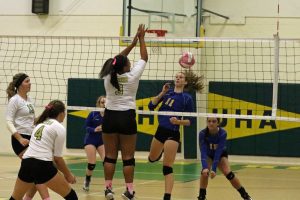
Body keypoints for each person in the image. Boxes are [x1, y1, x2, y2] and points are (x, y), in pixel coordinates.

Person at [99, 24, 148, 200]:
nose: (129, 62)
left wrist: (132, 43)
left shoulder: (107, 76)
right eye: (127, 62)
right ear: (126, 66)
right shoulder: (132, 76)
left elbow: (117, 59)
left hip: (110, 116)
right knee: (128, 157)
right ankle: (129, 191)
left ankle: (108, 189)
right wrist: (141, 39)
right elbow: (144, 57)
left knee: (110, 156)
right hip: (127, 116)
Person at [148, 70, 204, 200]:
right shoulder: (168, 92)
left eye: (181, 77)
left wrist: (178, 121)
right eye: (176, 77)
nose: (178, 79)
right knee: (151, 159)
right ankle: (160, 152)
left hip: (173, 133)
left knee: (167, 167)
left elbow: (191, 120)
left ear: (185, 82)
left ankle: (167, 196)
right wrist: (162, 92)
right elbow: (151, 106)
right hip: (160, 130)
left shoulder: (187, 98)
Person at [9, 100, 78, 200]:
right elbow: (57, 159)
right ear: (62, 113)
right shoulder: (59, 128)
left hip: (27, 163)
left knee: (15, 198)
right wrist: (68, 175)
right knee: (72, 196)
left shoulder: (39, 125)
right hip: (42, 165)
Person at [6, 73, 50, 200]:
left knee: (31, 172)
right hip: (20, 139)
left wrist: (45, 115)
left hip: (31, 138)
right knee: (38, 169)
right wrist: (19, 138)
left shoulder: (29, 100)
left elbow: (32, 122)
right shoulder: (15, 100)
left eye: (29, 81)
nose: (30, 83)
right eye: (27, 81)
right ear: (20, 85)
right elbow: (8, 121)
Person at [198, 117, 252, 200]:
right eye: (209, 121)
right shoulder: (202, 133)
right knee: (204, 173)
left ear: (218, 123)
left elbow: (218, 151)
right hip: (208, 155)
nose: (211, 123)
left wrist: (214, 169)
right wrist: (205, 167)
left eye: (214, 121)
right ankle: (202, 197)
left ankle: (245, 196)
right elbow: (203, 151)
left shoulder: (223, 133)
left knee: (228, 173)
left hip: (220, 154)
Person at [82, 96, 106, 191]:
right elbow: (86, 127)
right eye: (102, 102)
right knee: (92, 164)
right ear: (98, 104)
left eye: (105, 102)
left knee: (107, 163)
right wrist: (95, 129)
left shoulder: (110, 115)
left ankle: (108, 185)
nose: (104, 104)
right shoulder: (93, 114)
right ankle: (87, 180)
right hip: (90, 140)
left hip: (102, 141)